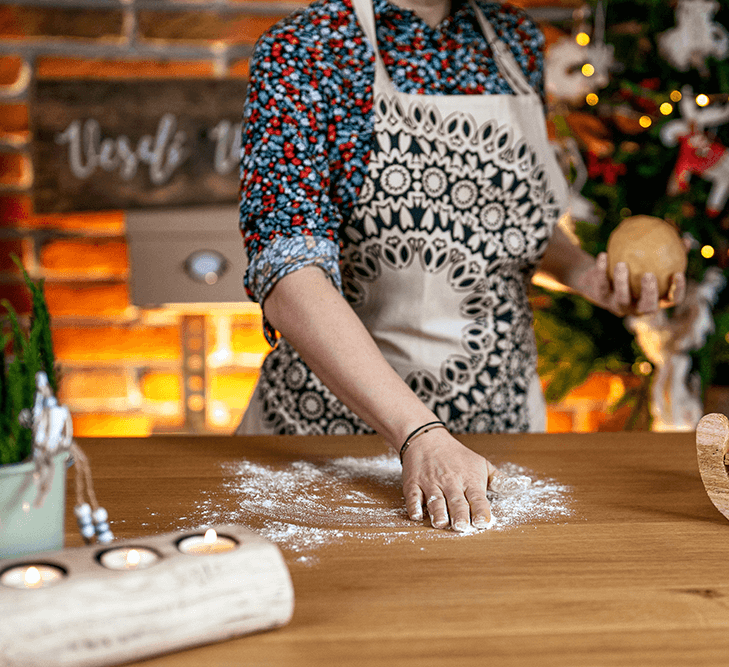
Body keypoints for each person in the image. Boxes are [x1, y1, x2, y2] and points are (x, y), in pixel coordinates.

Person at [237, 0, 684, 533]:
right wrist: (418, 434)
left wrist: (586, 275)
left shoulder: (513, 42)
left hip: (502, 448)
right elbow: (289, 273)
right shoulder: (309, 48)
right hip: (334, 455)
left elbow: (507, 216)